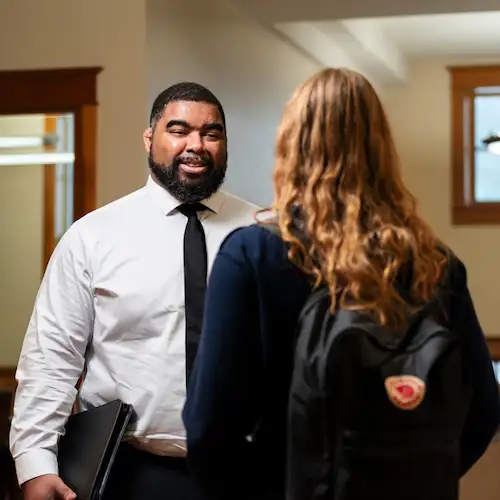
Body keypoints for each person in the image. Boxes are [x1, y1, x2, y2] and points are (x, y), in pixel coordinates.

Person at [182, 68, 500, 499]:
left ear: (291, 148)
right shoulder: (434, 262)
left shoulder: (252, 255)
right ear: (382, 150)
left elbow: (208, 427)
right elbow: (483, 410)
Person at [10, 82, 258, 500]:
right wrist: (34, 462)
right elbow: (50, 360)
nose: (195, 145)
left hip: (248, 472)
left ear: (225, 144)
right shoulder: (93, 237)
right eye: (178, 130)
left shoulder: (265, 234)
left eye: (211, 133)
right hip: (130, 473)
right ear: (150, 138)